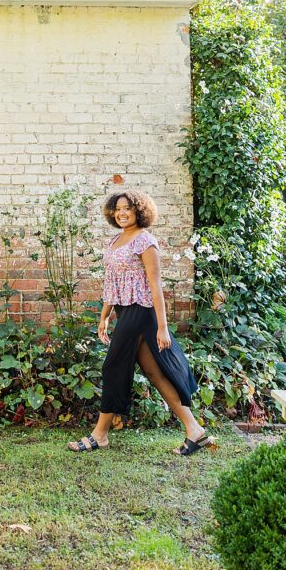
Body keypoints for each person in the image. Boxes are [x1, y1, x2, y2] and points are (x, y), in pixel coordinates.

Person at [68, 190, 213, 456]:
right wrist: (104, 315)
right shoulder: (115, 240)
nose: (122, 213)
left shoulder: (145, 241)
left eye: (128, 209)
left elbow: (155, 285)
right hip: (125, 311)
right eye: (118, 209)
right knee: (154, 372)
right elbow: (111, 283)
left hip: (142, 311)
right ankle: (194, 430)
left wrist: (163, 326)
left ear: (139, 212)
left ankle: (99, 435)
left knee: (113, 365)